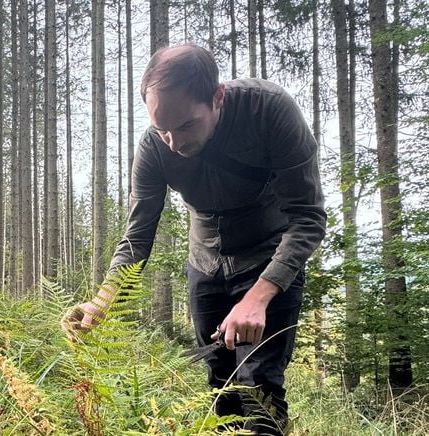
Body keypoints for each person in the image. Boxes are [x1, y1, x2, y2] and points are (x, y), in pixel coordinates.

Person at [63, 43, 326, 435]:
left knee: (259, 390)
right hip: (205, 263)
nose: (174, 142)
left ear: (217, 96)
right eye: (161, 128)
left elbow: (308, 217)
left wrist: (258, 296)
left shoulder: (268, 110)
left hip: (268, 258)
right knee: (219, 389)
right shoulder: (155, 146)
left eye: (186, 126)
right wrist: (102, 301)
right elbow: (137, 237)